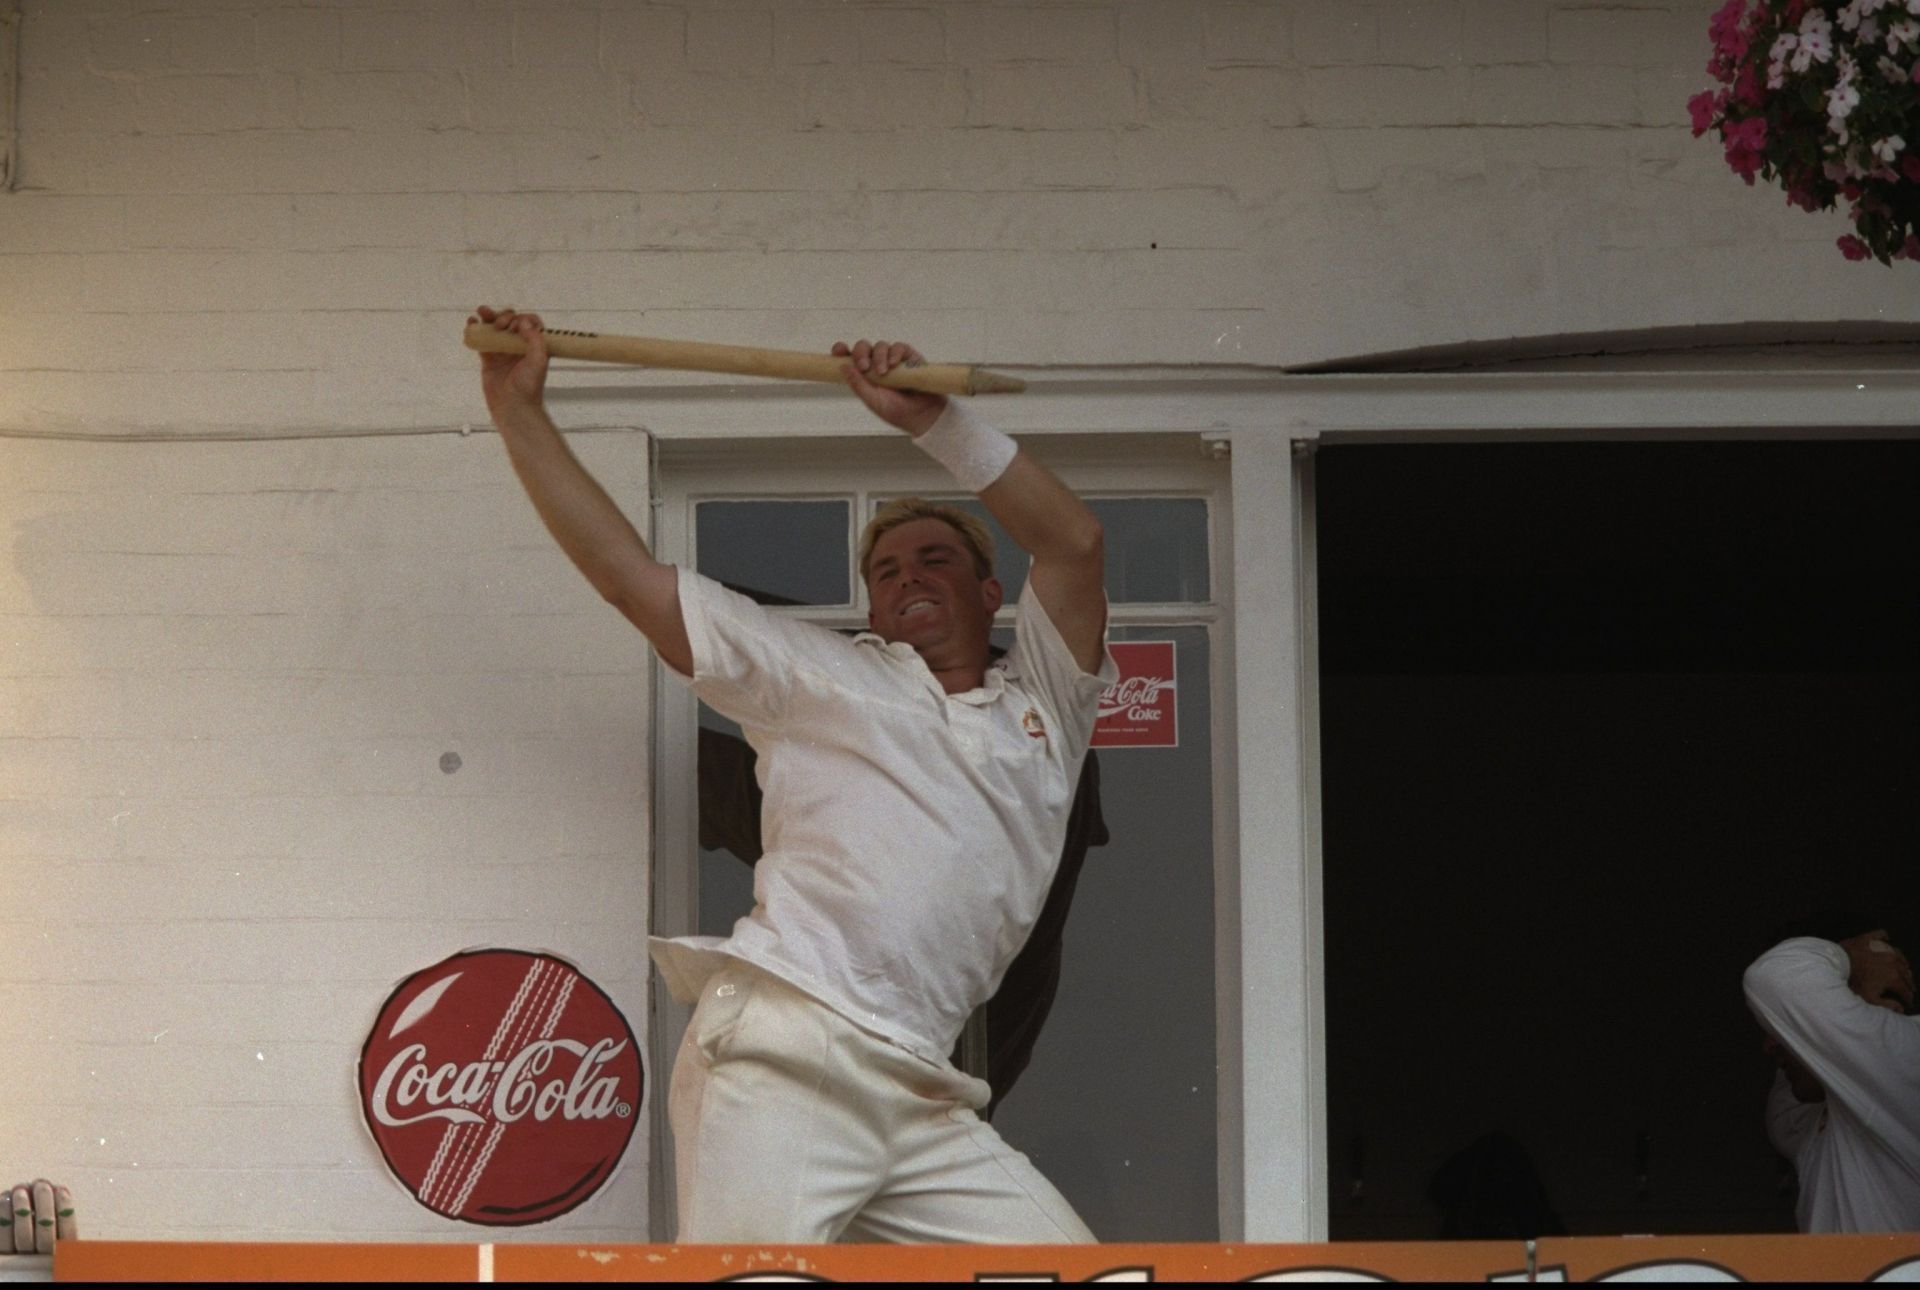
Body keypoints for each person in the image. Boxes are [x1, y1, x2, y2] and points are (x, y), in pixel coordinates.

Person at [472, 305, 1114, 1244]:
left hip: (925, 1091)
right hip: (792, 1052)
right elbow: (626, 577)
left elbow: (1075, 545)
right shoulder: (823, 676)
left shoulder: (1048, 707)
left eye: (936, 558)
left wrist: (932, 422)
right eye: (887, 571)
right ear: (872, 609)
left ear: (991, 594)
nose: (908, 577)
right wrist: (518, 410)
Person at [697, 707, 1108, 1119]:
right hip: (912, 1104)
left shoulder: (974, 826)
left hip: (895, 1103)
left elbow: (701, 778)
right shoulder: (1027, 780)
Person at [1742, 921, 1920, 1233]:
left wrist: (1850, 958)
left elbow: (1775, 977)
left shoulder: (1909, 1049)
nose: (1768, 1046)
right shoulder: (1806, 1116)